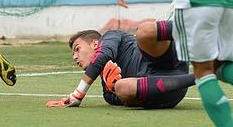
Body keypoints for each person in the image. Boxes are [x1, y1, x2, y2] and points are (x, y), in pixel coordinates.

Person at [45, 20, 195, 109]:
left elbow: (104, 55)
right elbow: (128, 102)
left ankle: (198, 27)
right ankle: (200, 76)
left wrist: (77, 94)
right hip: (166, 93)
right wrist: (116, 90)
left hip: (167, 59)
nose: (75, 57)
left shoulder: (110, 36)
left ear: (95, 43)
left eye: (77, 49)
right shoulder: (107, 92)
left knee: (144, 31)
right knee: (122, 88)